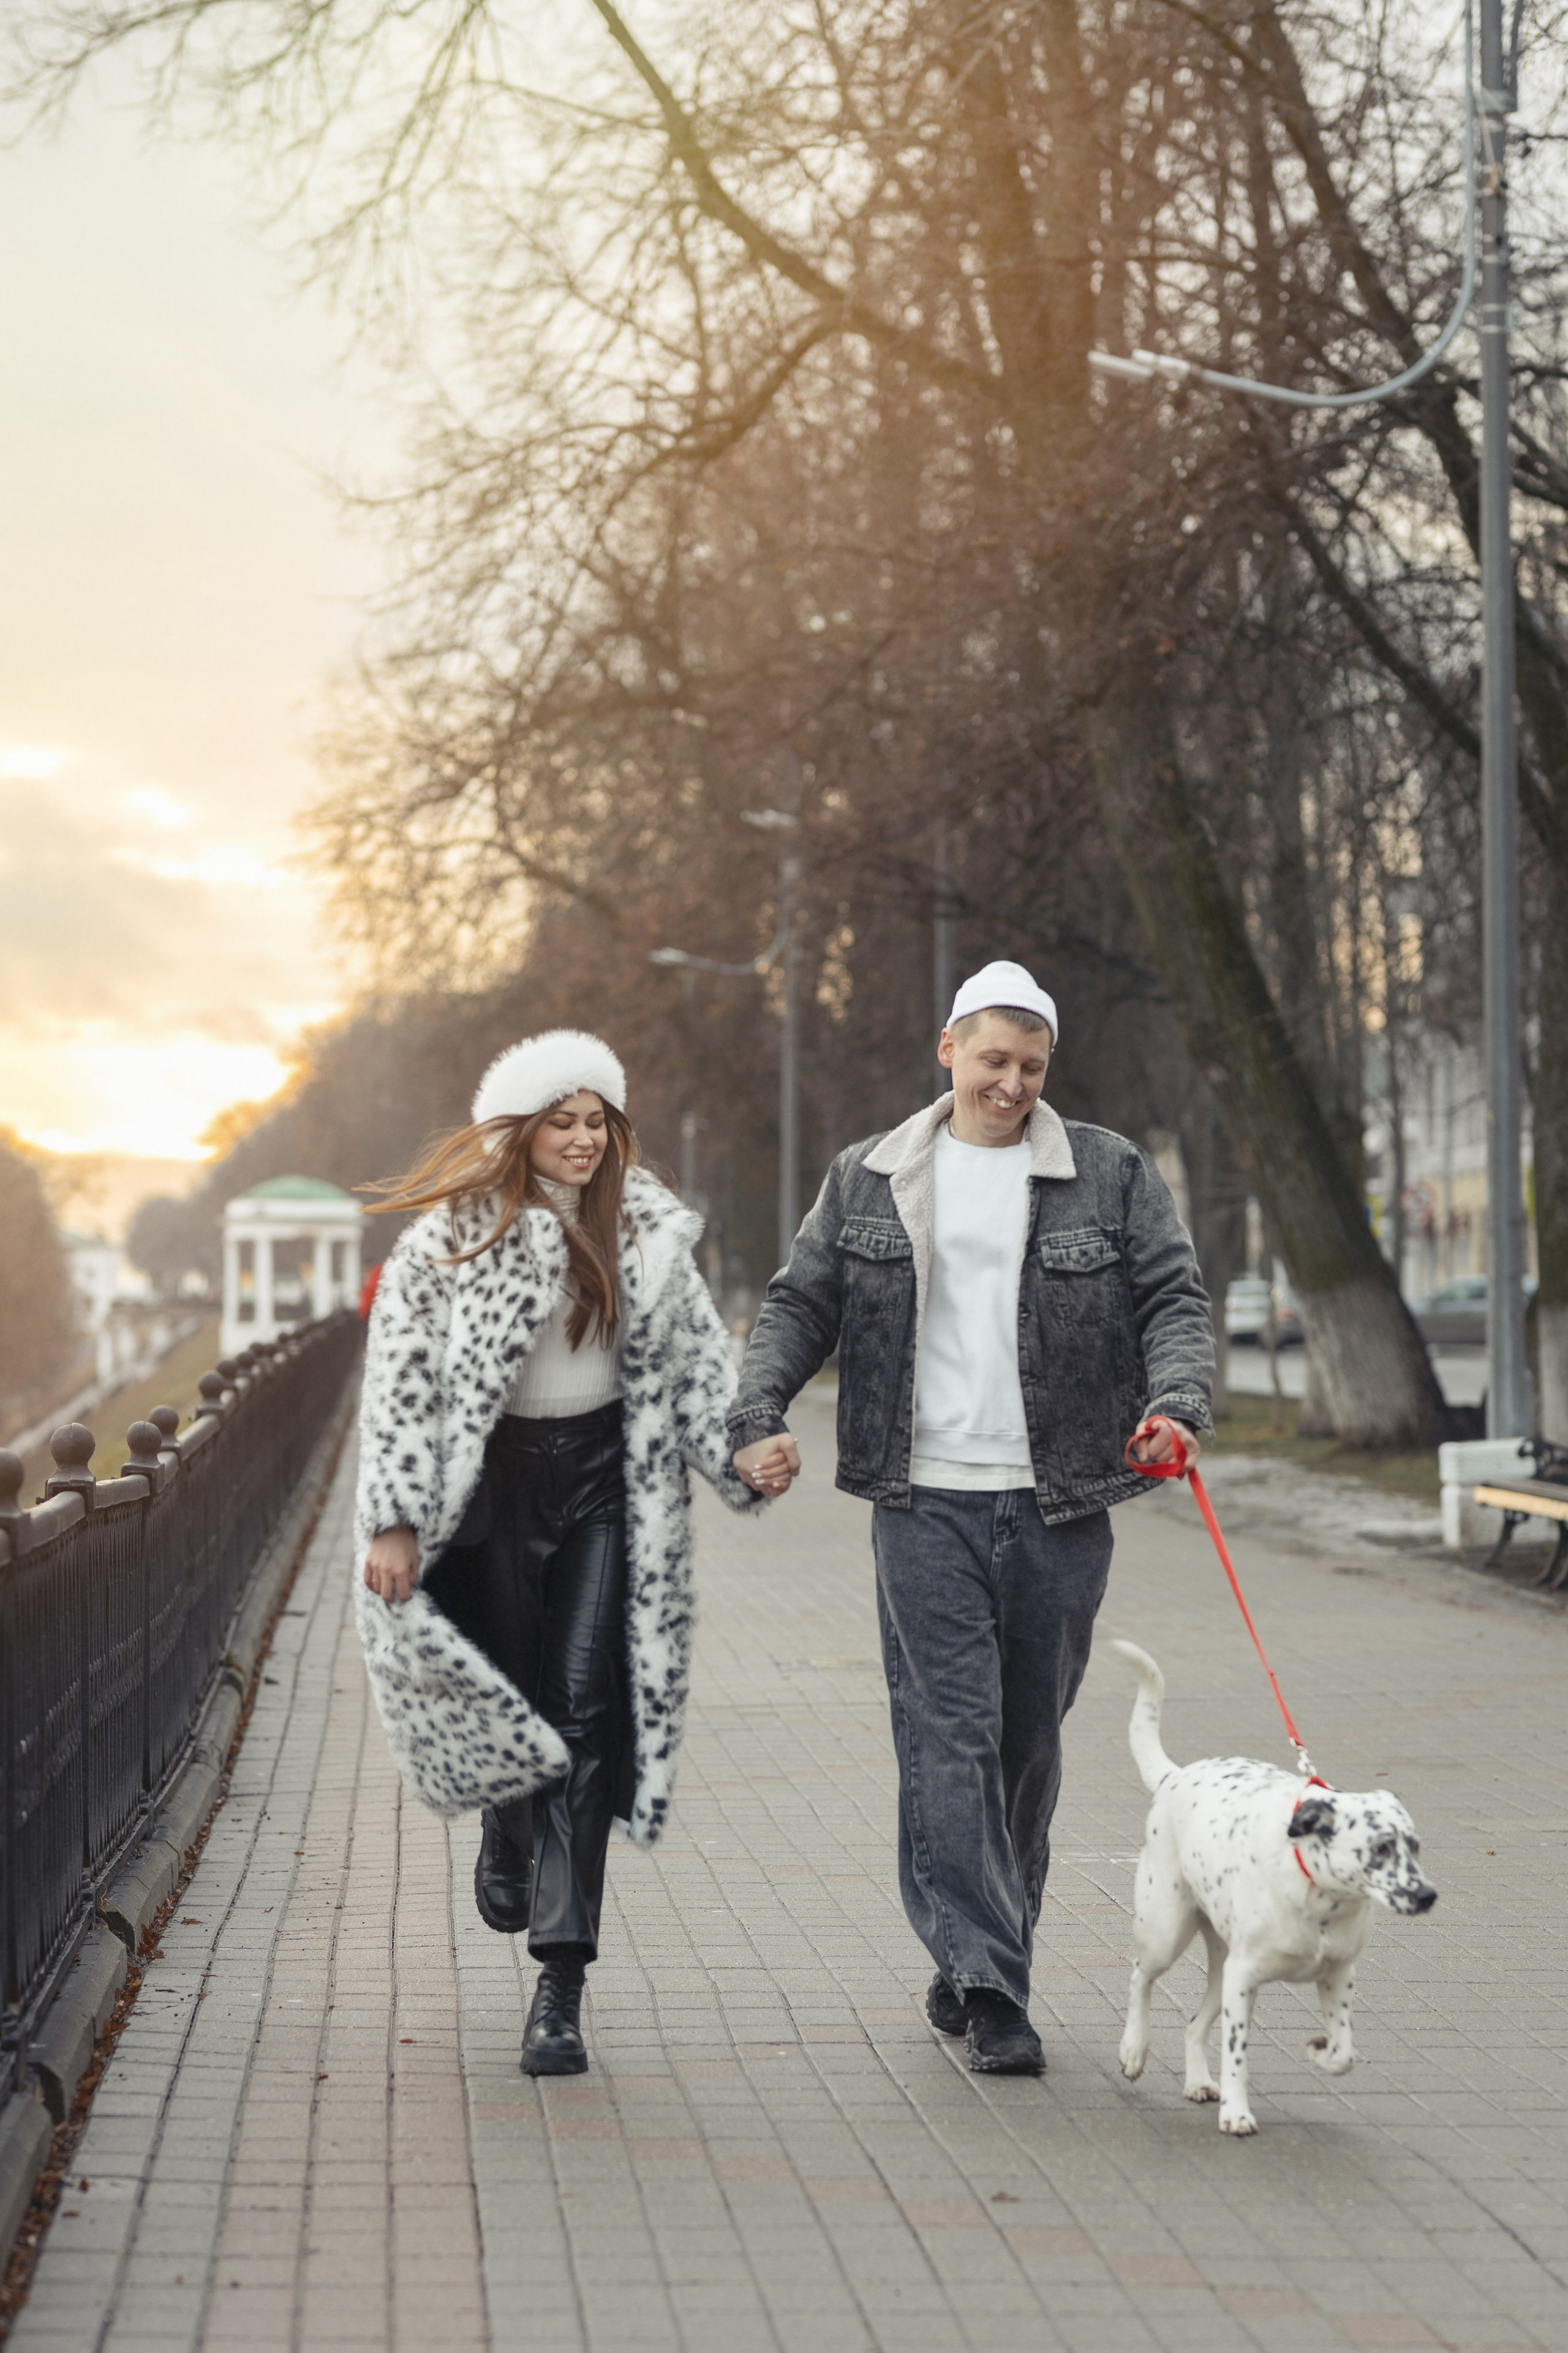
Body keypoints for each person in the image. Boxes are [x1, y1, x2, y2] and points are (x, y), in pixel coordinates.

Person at [729, 962, 1214, 2075]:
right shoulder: (873, 1174)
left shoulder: (1108, 1169)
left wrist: (1176, 1403)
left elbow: (1171, 1298)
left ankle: (969, 1953)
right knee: (949, 1735)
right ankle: (997, 1987)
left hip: (1063, 1501)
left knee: (1027, 1750)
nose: (1011, 1085)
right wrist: (759, 1413)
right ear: (947, 1047)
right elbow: (803, 1301)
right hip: (923, 1496)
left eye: (1031, 1066)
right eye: (992, 1060)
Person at [353, 1029, 774, 2077]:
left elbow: (696, 1367)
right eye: (564, 1121)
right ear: (520, 1130)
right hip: (488, 1493)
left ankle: (561, 1984)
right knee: (512, 1696)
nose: (585, 1140)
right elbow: (401, 1379)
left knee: (587, 1714)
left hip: (604, 1489)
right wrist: (395, 1518)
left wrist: (742, 1448)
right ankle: (506, 1817)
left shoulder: (646, 1236)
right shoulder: (450, 1236)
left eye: (598, 1123)